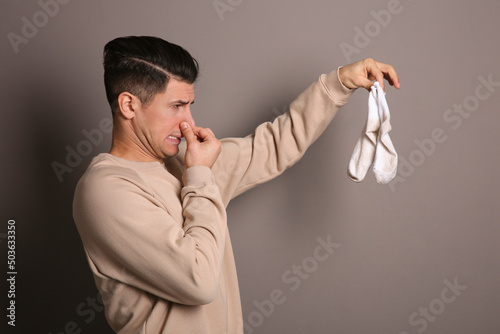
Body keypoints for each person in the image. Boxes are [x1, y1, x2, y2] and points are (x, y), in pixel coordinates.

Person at [73, 35, 399, 333]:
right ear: (129, 105)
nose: (189, 122)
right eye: (176, 106)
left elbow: (272, 146)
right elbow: (197, 281)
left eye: (189, 106)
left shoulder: (186, 161)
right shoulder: (104, 191)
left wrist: (339, 82)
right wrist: (200, 175)